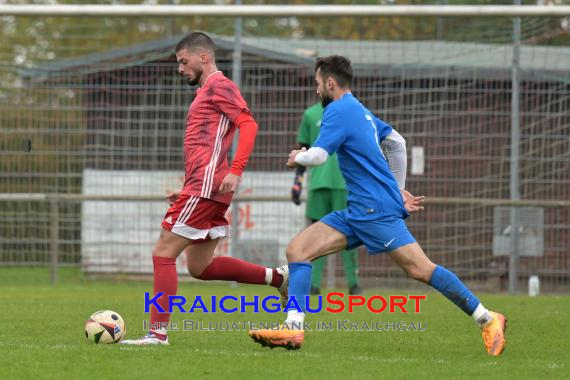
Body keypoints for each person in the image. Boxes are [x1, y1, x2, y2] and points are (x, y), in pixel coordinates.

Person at [249, 55, 507, 356]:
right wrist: (397, 191)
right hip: (360, 209)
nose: (317, 90)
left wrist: (299, 157)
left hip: (375, 211)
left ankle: (488, 319)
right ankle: (292, 329)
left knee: (420, 269)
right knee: (298, 250)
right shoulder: (361, 110)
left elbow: (318, 156)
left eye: (318, 84)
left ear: (330, 83)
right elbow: (397, 142)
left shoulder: (338, 110)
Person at [121, 32, 288, 346]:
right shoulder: (205, 93)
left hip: (207, 188)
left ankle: (157, 334)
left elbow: (249, 124)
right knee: (200, 266)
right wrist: (185, 189)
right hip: (201, 188)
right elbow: (207, 148)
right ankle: (278, 277)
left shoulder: (220, 86)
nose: (180, 69)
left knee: (163, 252)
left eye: (184, 62)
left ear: (204, 57)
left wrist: (235, 171)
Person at [291, 102, 361, 295]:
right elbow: (302, 149)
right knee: (316, 235)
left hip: (345, 185)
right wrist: (297, 182)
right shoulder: (311, 114)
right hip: (318, 184)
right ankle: (313, 284)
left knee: (350, 234)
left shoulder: (353, 111)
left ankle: (353, 284)